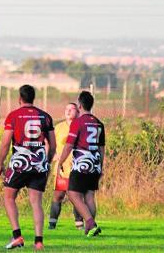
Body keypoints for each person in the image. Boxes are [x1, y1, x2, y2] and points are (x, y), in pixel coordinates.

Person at [0, 85, 56, 250]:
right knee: (36, 202)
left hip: (20, 163)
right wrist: (48, 162)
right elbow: (53, 145)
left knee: (9, 197)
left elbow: (6, 143)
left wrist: (0, 163)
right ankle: (38, 241)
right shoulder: (45, 117)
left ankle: (17, 236)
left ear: (19, 98)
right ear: (33, 98)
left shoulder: (13, 116)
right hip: (39, 164)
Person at [59, 91, 105, 237]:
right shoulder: (99, 123)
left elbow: (68, 146)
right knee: (89, 195)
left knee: (72, 193)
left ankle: (90, 223)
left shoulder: (77, 122)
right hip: (95, 163)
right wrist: (100, 166)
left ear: (79, 105)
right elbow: (101, 148)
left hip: (81, 163)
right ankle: (90, 228)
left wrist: (60, 161)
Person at [48, 103, 83, 230]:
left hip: (76, 168)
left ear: (78, 112)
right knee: (58, 195)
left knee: (76, 197)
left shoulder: (80, 126)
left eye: (71, 109)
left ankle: (79, 224)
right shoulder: (58, 128)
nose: (68, 111)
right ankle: (52, 225)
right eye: (66, 109)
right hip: (61, 169)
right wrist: (54, 155)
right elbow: (50, 144)